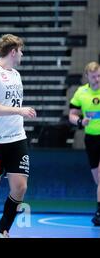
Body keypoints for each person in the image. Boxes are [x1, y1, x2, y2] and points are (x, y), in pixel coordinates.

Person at [0, 34, 37, 238]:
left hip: (17, 138)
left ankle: (3, 230)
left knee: (20, 187)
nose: (21, 54)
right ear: (13, 51)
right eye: (20, 51)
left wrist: (18, 113)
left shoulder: (16, 75)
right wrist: (19, 111)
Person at [69, 61, 100, 226]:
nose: (97, 79)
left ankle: (99, 213)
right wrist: (81, 121)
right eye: (94, 76)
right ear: (87, 76)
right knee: (97, 181)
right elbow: (72, 115)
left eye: (99, 75)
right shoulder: (81, 92)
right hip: (91, 139)